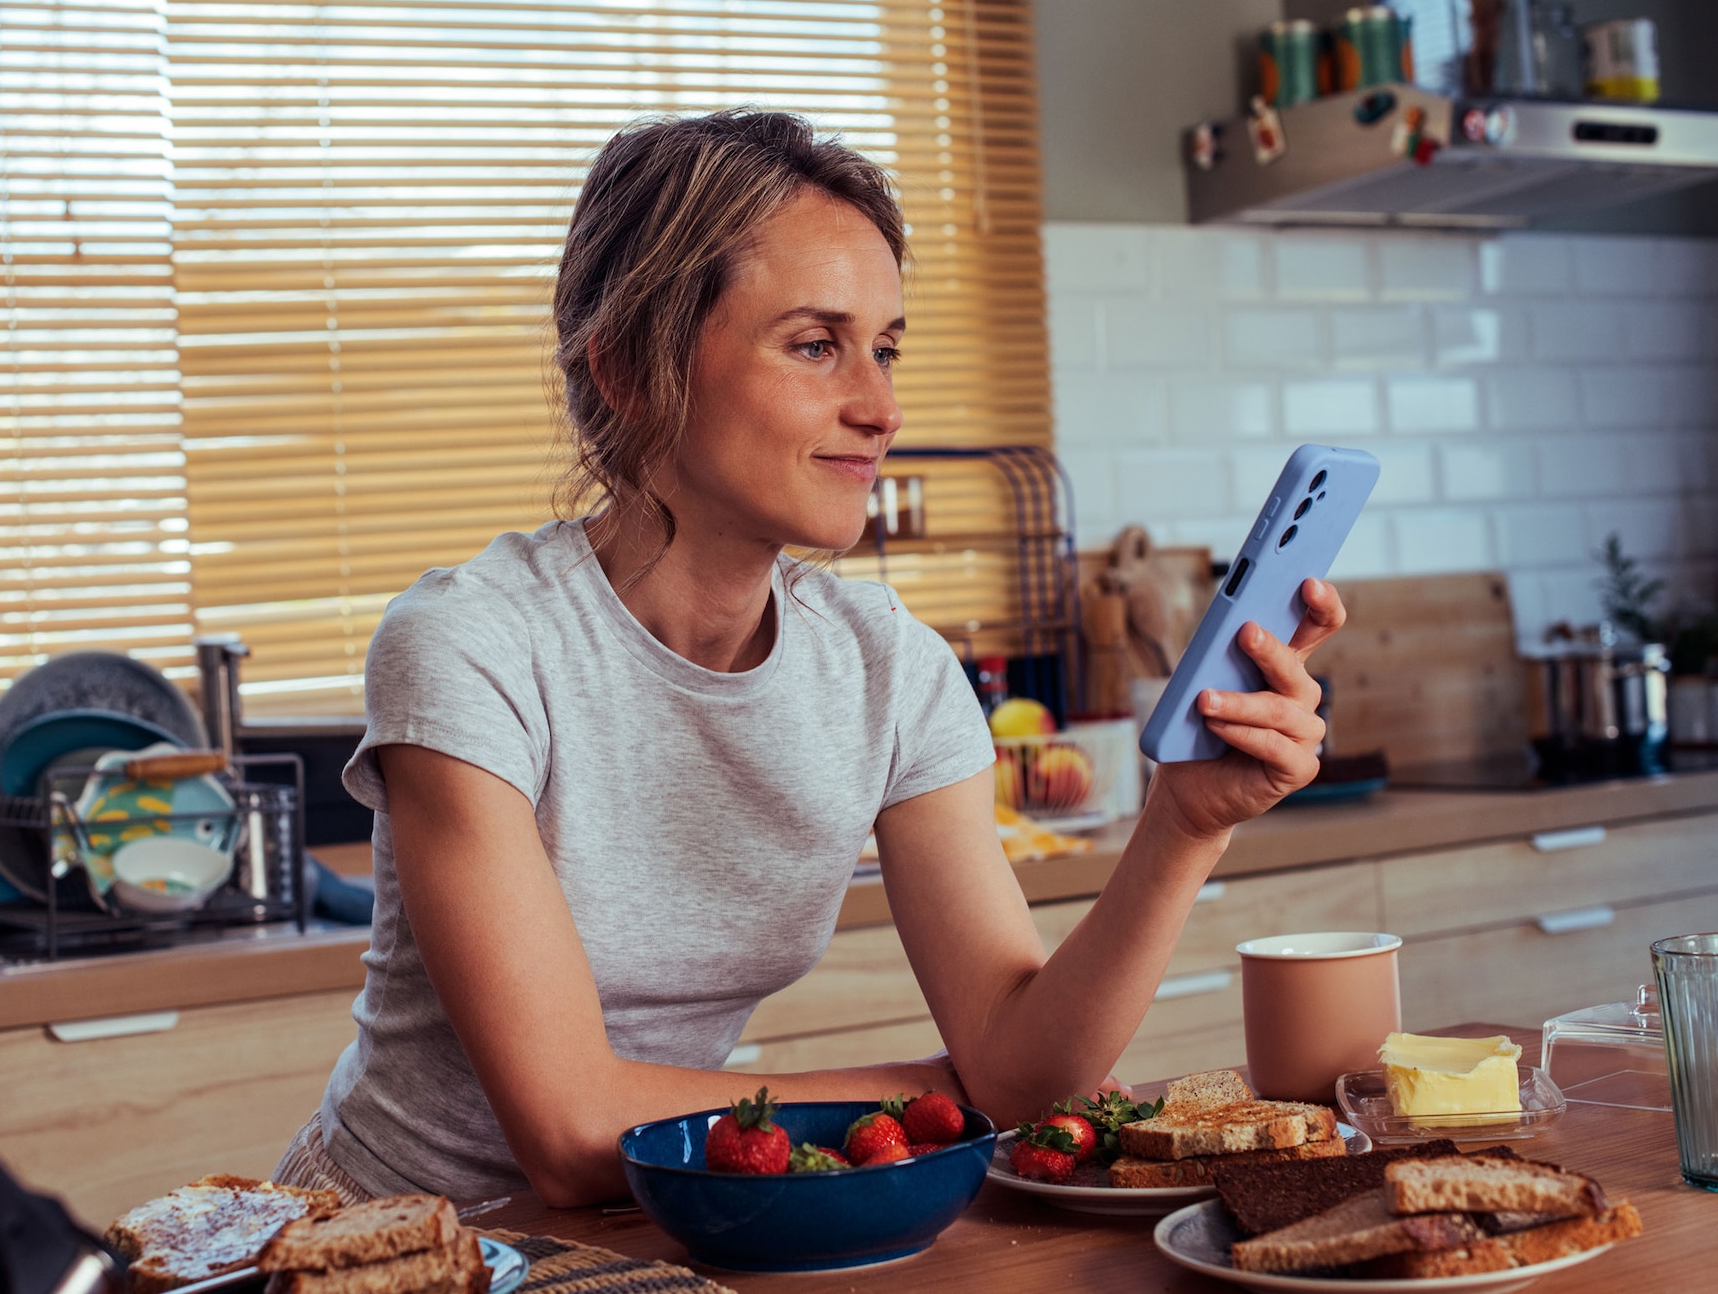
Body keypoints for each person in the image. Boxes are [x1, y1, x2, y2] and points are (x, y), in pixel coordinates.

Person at [275, 109, 1343, 1206]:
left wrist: (1182, 826)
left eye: (884, 348)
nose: (878, 407)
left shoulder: (889, 672)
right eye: (813, 344)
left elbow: (1019, 1064)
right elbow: (566, 1129)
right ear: (631, 367)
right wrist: (931, 1094)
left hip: (666, 1231)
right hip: (390, 1241)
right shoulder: (472, 644)